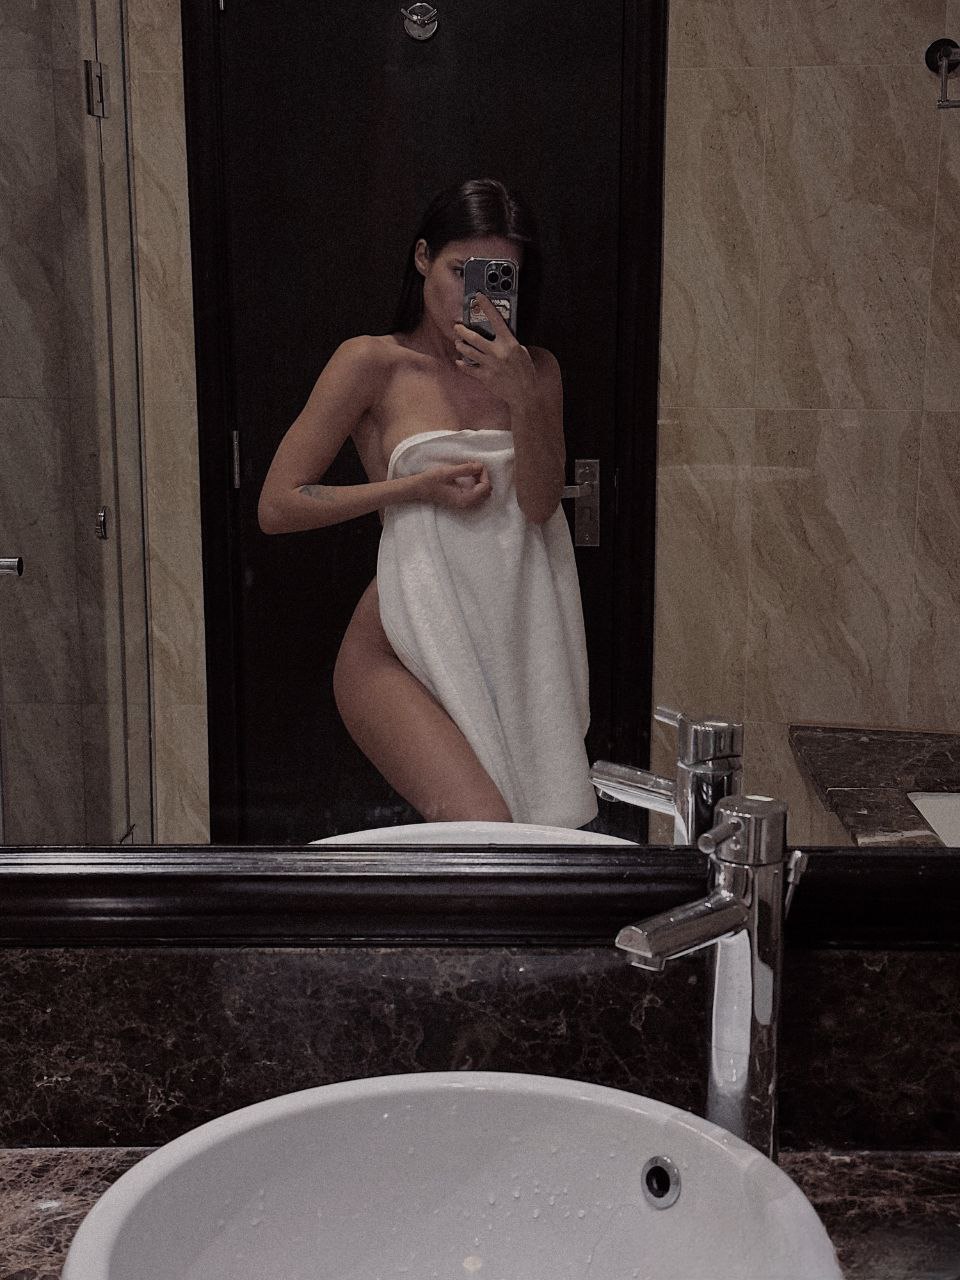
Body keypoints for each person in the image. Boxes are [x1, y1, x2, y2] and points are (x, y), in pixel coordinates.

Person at [258, 178, 597, 829]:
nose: (475, 294)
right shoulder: (371, 364)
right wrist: (411, 489)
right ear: (421, 258)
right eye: (459, 271)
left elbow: (538, 506)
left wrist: (522, 396)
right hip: (398, 641)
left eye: (498, 277)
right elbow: (278, 505)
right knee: (486, 830)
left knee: (531, 841)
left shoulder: (537, 372)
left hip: (509, 640)